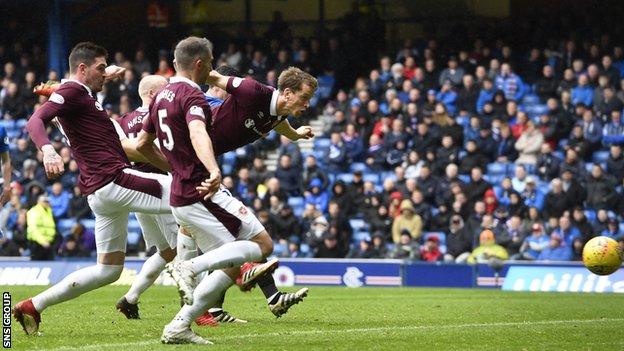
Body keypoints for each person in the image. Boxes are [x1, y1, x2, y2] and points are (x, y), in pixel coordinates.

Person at [138, 38, 316, 344]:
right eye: (305, 97)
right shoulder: (249, 90)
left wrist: (296, 135)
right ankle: (190, 268)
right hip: (201, 179)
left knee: (242, 258)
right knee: (255, 248)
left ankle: (180, 324)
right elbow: (212, 78)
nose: (307, 104)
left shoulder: (276, 111)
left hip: (191, 178)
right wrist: (210, 169)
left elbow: (278, 120)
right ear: (287, 92)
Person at [15, 42, 177, 336]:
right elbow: (35, 120)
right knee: (191, 191)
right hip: (114, 179)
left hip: (99, 194)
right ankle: (237, 270)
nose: (105, 73)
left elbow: (74, 92)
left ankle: (33, 306)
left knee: (109, 270)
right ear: (82, 69)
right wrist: (48, 151)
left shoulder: (83, 96)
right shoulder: (73, 92)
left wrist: (107, 73)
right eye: (100, 68)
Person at [110, 75, 181, 320]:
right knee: (185, 248)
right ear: (152, 94)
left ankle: (130, 299)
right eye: (164, 91)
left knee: (167, 252)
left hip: (137, 194)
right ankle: (200, 309)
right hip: (161, 191)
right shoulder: (160, 117)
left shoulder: (123, 121)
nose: (168, 95)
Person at [26, 195, 57, 260]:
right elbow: (33, 229)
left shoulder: (49, 211)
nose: (46, 203)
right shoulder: (34, 211)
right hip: (37, 243)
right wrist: (42, 241)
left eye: (47, 201)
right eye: (44, 201)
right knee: (36, 264)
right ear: (38, 202)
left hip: (48, 242)